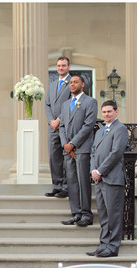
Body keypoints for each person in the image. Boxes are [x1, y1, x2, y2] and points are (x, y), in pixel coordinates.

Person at [86, 100, 127, 258]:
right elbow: (93, 152)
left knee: (113, 215)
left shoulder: (120, 129)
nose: (106, 115)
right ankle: (103, 245)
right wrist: (93, 171)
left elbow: (116, 153)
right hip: (99, 180)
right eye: (104, 112)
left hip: (113, 179)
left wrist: (101, 171)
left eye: (109, 111)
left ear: (116, 112)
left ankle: (113, 246)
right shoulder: (100, 131)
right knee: (103, 215)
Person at [58, 74, 97, 227]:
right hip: (67, 150)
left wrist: (73, 143)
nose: (72, 84)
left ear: (83, 85)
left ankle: (86, 214)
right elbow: (61, 126)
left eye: (76, 82)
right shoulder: (65, 104)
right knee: (72, 182)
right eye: (71, 82)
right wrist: (65, 145)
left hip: (82, 148)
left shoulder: (90, 102)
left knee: (82, 182)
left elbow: (88, 125)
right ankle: (76, 213)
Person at [43, 56, 71, 199]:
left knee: (65, 157)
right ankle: (57, 186)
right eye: (59, 65)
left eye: (63, 65)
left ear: (68, 67)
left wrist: (59, 119)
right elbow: (47, 104)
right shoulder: (53, 84)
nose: (61, 68)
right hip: (52, 127)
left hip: (66, 126)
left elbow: (71, 103)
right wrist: (51, 121)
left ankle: (66, 187)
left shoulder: (72, 83)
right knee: (54, 157)